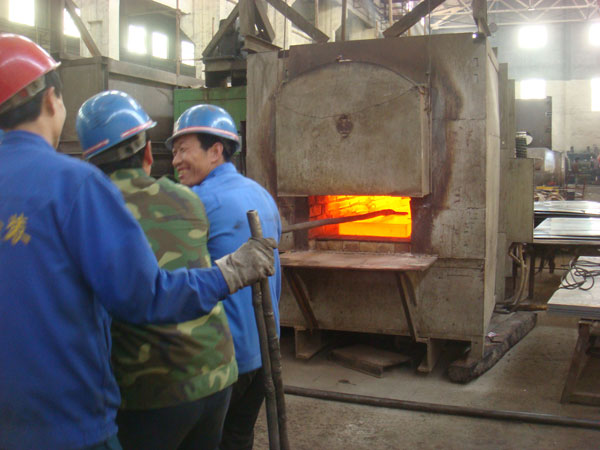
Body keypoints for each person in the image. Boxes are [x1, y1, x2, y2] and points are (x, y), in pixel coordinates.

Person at [0, 33, 275, 450]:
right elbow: (144, 296)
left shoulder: (86, 185)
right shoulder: (76, 186)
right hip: (73, 421)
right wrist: (228, 273)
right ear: (51, 100)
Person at [76, 91, 238, 450]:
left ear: (89, 163)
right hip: (218, 370)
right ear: (148, 153)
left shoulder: (90, 209)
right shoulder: (188, 198)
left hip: (152, 389)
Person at [168, 104, 282, 450]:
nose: (175, 161)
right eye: (174, 152)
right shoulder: (261, 194)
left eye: (183, 150)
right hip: (266, 351)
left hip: (223, 360)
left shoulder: (193, 202)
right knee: (238, 438)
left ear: (215, 151)